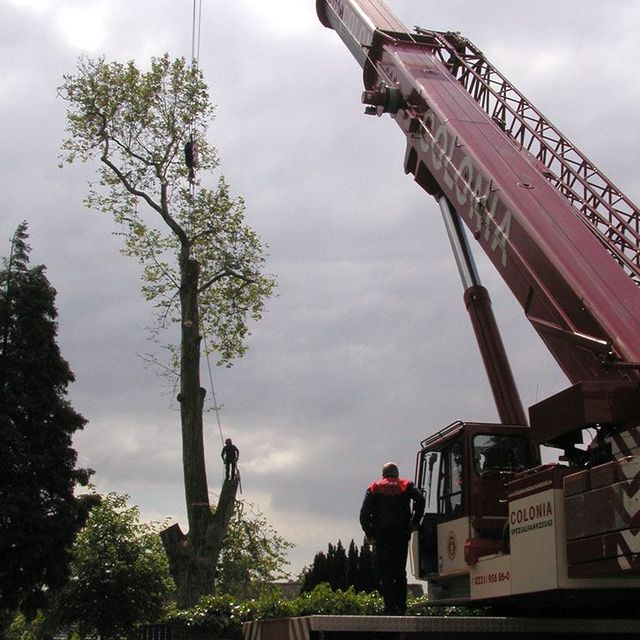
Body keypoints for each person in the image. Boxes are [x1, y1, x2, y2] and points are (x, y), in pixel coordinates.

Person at [359, 462, 425, 615]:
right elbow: (420, 500)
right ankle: (401, 607)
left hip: (382, 536)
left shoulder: (374, 487)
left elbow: (363, 513)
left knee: (386, 572)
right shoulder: (407, 485)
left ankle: (389, 607)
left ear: (384, 474)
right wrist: (414, 522)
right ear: (397, 473)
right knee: (400, 572)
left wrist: (369, 532)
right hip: (402, 535)